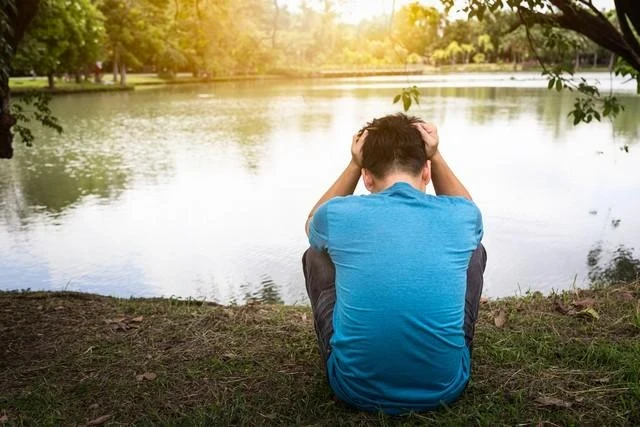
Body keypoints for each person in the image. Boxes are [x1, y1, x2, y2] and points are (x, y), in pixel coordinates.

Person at [302, 113, 487, 414]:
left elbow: (311, 223)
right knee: (474, 250)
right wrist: (436, 155)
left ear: (367, 176)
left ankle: (352, 348)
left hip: (354, 388)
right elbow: (470, 213)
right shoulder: (461, 216)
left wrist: (352, 164)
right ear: (426, 172)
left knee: (316, 253)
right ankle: (443, 351)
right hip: (445, 387)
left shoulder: (336, 216)